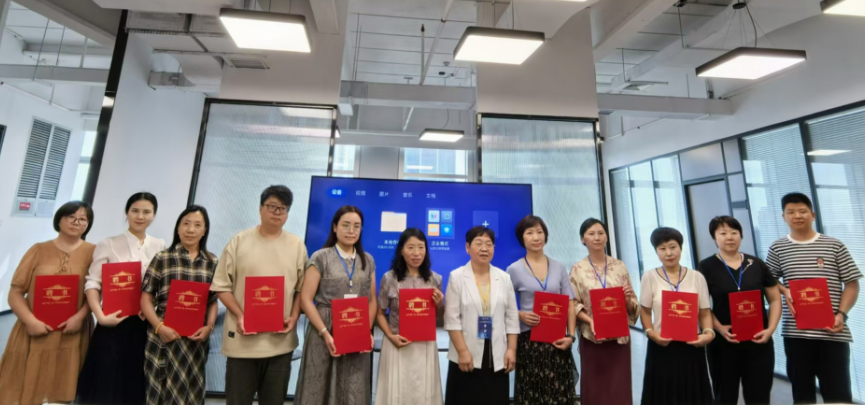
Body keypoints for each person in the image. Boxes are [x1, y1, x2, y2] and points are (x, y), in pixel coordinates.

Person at [210, 186, 308, 405]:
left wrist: (294, 316)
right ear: (260, 208)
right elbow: (221, 286)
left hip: (280, 343)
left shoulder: (296, 245)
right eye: (272, 206)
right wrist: (240, 315)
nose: (277, 212)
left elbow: (302, 289)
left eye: (283, 208)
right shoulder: (239, 241)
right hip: (242, 343)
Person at [766, 193, 862, 404]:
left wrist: (842, 314)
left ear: (813, 215)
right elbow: (768, 280)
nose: (797, 216)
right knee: (803, 395)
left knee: (838, 395)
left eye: (802, 211)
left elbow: (852, 283)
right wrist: (785, 290)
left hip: (833, 332)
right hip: (796, 334)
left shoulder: (833, 245)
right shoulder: (778, 248)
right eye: (791, 212)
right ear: (783, 217)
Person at [0, 201, 96, 405]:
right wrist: (30, 321)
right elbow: (15, 293)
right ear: (59, 220)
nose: (76, 222)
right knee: (23, 390)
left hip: (72, 331)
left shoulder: (94, 253)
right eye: (71, 217)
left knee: (63, 388)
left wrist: (80, 317)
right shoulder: (38, 250)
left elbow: (95, 293)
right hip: (34, 330)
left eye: (83, 219)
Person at [76, 192, 166, 405]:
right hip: (113, 322)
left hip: (145, 324)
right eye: (135, 210)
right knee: (108, 382)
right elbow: (92, 284)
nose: (140, 216)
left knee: (136, 380)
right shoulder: (109, 243)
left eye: (146, 212)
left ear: (154, 215)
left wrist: (151, 306)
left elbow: (161, 285)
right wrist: (101, 316)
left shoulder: (160, 246)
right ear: (127, 212)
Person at [295, 206, 376, 405]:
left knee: (353, 387)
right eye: (346, 225)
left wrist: (365, 332)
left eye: (357, 226)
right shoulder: (320, 257)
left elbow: (372, 300)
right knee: (318, 386)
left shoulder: (367, 260)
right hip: (324, 330)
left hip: (355, 330)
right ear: (334, 227)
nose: (351, 231)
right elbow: (306, 299)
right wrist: (324, 332)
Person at [697, 216, 781, 405]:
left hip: (758, 341)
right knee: (725, 397)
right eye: (723, 233)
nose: (729, 237)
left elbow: (775, 299)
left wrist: (770, 330)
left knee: (759, 397)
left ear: (741, 236)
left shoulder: (756, 264)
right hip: (723, 343)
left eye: (734, 232)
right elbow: (701, 305)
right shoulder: (706, 266)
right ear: (714, 238)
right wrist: (719, 328)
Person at [141, 205, 219, 405]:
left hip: (195, 340)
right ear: (178, 228)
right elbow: (146, 297)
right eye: (186, 224)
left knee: (191, 392)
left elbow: (213, 301)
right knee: (159, 392)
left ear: (204, 230)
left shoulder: (212, 262)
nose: (190, 229)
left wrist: (209, 327)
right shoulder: (163, 258)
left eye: (197, 225)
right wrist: (159, 327)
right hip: (163, 337)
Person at [506, 215, 578, 405]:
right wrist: (520, 315)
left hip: (557, 340)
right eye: (530, 233)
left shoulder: (558, 267)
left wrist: (571, 336)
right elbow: (504, 305)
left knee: (559, 392)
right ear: (522, 238)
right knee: (532, 393)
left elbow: (570, 303)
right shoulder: (514, 269)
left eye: (540, 232)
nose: (536, 237)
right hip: (529, 341)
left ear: (545, 236)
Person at [444, 226, 519, 405]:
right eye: (478, 243)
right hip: (466, 354)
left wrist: (511, 349)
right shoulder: (457, 277)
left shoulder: (504, 278)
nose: (484, 248)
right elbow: (452, 319)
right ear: (467, 247)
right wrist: (462, 352)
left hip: (497, 354)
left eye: (489, 244)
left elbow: (511, 317)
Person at [639, 227, 714, 405]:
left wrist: (709, 333)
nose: (669, 253)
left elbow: (704, 312)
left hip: (692, 345)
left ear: (681, 247)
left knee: (693, 394)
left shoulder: (697, 277)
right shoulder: (649, 277)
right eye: (662, 248)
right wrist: (651, 333)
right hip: (661, 344)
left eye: (673, 247)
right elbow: (645, 311)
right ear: (656, 251)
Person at [570, 218, 639, 405]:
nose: (597, 237)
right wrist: (590, 321)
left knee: (619, 388)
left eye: (601, 233)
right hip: (592, 337)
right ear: (583, 239)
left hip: (619, 338)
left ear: (607, 237)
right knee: (595, 388)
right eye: (591, 234)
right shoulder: (577, 269)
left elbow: (633, 304)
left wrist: (627, 299)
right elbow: (573, 304)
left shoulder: (620, 266)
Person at [375, 228, 445, 405]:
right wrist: (390, 336)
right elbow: (380, 313)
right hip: (397, 343)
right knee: (397, 393)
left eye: (421, 247)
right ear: (401, 250)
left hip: (425, 345)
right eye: (411, 247)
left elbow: (439, 316)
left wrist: (440, 304)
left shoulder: (435, 279)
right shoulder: (389, 278)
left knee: (423, 393)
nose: (416, 253)